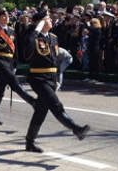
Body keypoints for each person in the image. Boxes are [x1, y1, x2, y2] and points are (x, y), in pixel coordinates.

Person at [22, 11, 90, 153]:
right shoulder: (33, 37)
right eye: (47, 18)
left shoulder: (53, 38)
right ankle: (76, 129)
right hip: (38, 78)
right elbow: (26, 54)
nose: (51, 20)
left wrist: (57, 78)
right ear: (39, 22)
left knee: (41, 111)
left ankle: (29, 142)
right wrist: (36, 30)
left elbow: (56, 59)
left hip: (51, 78)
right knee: (56, 105)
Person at [0, 9, 36, 125]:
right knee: (13, 81)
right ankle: (32, 101)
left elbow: (15, 48)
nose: (6, 18)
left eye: (7, 16)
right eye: (3, 16)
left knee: (0, 90)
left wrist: (15, 64)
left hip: (9, 61)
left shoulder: (12, 31)